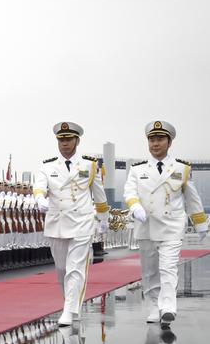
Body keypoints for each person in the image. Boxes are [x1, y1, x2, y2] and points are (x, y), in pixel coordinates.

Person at [123, 121, 207, 326]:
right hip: (146, 225)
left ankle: (168, 307)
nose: (155, 143)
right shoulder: (137, 169)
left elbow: (192, 197)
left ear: (169, 143)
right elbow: (129, 192)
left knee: (168, 268)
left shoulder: (182, 168)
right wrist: (135, 207)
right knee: (150, 271)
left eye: (160, 139)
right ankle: (154, 305)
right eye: (152, 139)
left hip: (171, 226)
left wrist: (200, 223)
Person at [34, 122, 109, 326]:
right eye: (61, 140)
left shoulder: (89, 165)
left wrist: (103, 219)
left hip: (81, 222)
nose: (64, 143)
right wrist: (40, 198)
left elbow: (99, 196)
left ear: (77, 140)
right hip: (57, 222)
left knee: (75, 268)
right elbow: (39, 186)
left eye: (68, 139)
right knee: (61, 269)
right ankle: (70, 303)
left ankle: (69, 309)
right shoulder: (48, 166)